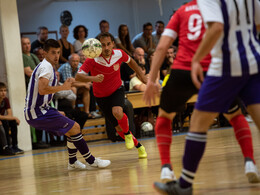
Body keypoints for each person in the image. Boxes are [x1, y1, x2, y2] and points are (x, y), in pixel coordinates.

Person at [143, 0, 260, 190]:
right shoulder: (233, 5)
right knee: (235, 115)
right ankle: (249, 161)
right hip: (227, 66)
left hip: (187, 70)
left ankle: (167, 168)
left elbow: (162, 47)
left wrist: (152, 79)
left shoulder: (183, 11)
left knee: (166, 117)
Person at [24, 39, 111, 170]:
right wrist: (63, 87)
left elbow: (62, 85)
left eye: (58, 52)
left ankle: (73, 162)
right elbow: (42, 89)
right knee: (75, 127)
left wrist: (92, 79)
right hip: (37, 112)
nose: (56, 56)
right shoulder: (46, 67)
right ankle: (91, 161)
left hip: (41, 110)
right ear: (45, 53)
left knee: (70, 127)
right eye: (53, 52)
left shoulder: (46, 66)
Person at [76, 32, 148, 159]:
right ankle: (139, 146)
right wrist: (93, 78)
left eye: (109, 44)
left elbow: (131, 62)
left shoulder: (119, 54)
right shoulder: (92, 59)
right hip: (101, 97)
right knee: (117, 128)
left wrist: (141, 76)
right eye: (103, 45)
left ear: (113, 44)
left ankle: (127, 134)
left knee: (118, 111)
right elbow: (78, 76)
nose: (107, 48)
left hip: (117, 90)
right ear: (98, 46)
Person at [58, 53, 93, 118]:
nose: (75, 63)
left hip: (76, 86)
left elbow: (86, 79)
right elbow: (69, 83)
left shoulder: (80, 66)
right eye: (73, 61)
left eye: (77, 61)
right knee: (73, 88)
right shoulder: (66, 66)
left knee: (86, 89)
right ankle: (72, 111)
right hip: (62, 88)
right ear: (69, 61)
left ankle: (87, 112)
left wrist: (84, 83)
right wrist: (83, 83)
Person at [0, 82, 23, 154]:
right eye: (1, 91)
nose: (3, 93)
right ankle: (7, 146)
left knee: (13, 122)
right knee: (5, 122)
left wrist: (14, 118)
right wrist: (13, 117)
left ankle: (14, 145)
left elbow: (10, 114)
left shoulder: (5, 100)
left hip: (2, 119)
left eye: (5, 90)